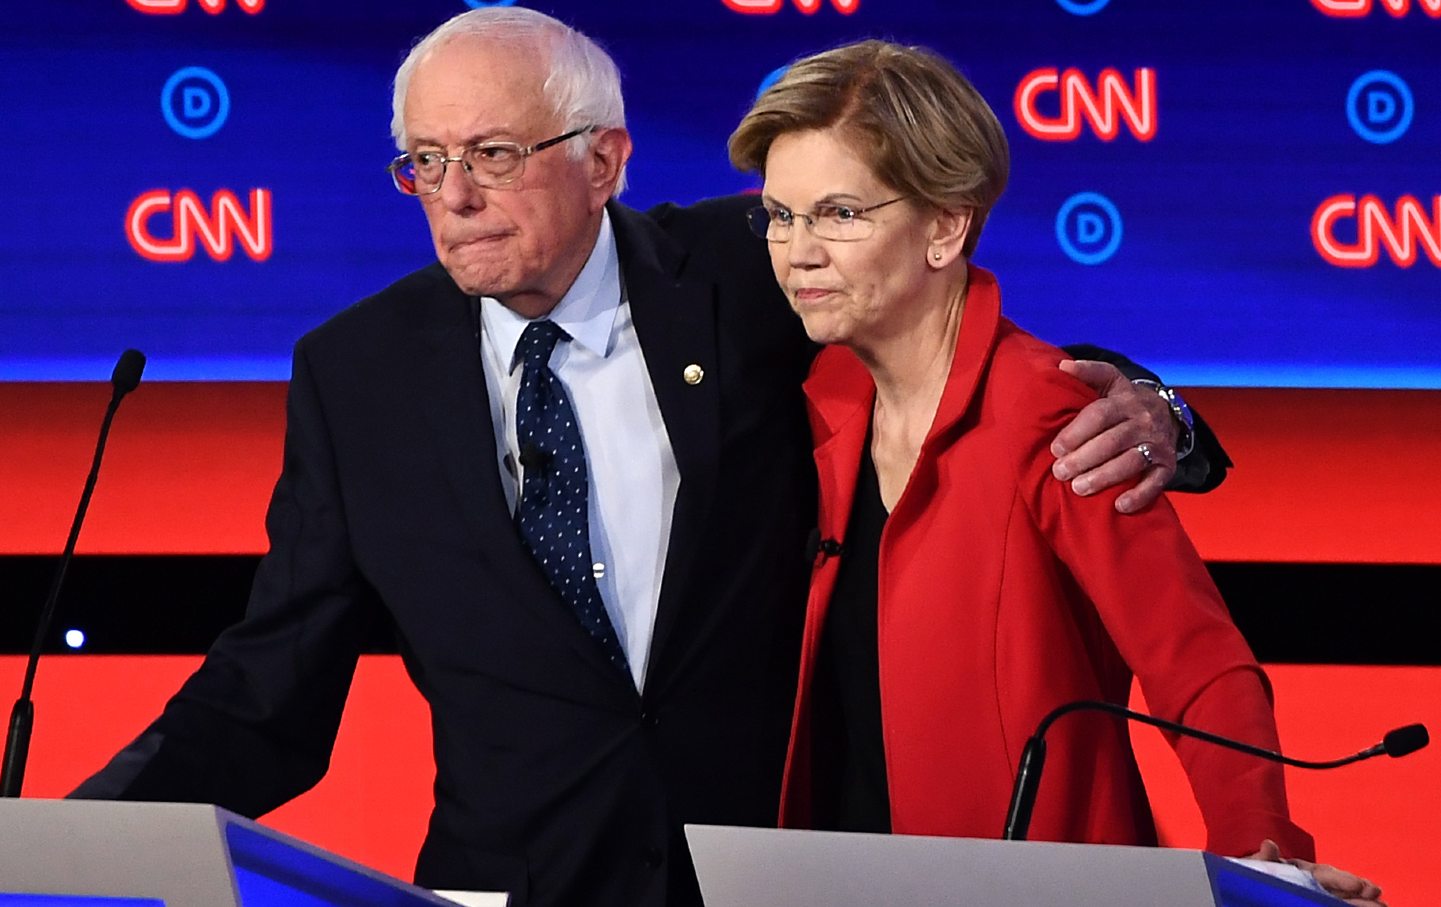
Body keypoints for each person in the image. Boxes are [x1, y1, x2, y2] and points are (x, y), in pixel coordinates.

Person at [73, 10, 1227, 907]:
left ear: (604, 158)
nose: (454, 197)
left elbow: (938, 327)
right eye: (421, 161)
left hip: (773, 877)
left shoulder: (742, 265)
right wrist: (76, 843)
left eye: (490, 152)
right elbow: (271, 685)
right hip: (513, 883)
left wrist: (1155, 411)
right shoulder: (356, 371)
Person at [728, 38, 1385, 906]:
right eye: (780, 215)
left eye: (838, 213)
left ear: (945, 226)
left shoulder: (1049, 416)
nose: (795, 251)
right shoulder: (818, 397)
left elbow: (1195, 661)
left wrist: (1257, 853)